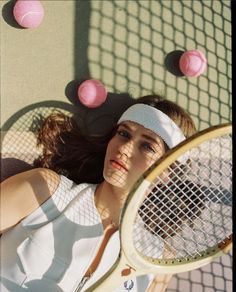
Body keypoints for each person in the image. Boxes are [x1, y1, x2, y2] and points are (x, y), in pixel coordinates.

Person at [0, 94, 197, 292]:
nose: (125, 149)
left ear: (167, 172)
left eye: (147, 146)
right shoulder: (44, 188)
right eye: (123, 134)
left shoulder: (157, 261)